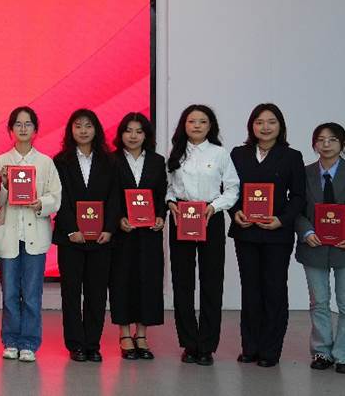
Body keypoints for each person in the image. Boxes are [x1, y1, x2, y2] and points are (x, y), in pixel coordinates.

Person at [228, 103, 306, 367]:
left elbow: (299, 196)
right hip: (246, 232)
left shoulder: (291, 156)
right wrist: (235, 212)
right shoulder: (238, 154)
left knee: (274, 290)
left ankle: (270, 350)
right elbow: (229, 189)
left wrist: (281, 220)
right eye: (259, 122)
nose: (265, 127)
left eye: (271, 122)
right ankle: (250, 347)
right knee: (250, 290)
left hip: (277, 234)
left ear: (280, 126)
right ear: (251, 125)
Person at [296, 122, 345, 374]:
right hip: (314, 246)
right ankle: (321, 351)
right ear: (314, 144)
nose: (326, 144)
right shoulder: (304, 173)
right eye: (320, 140)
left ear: (342, 144)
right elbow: (296, 210)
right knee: (318, 302)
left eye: (332, 139)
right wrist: (306, 232)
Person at [165, 104, 239, 366]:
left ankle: (207, 345)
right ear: (183, 125)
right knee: (182, 282)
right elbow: (168, 187)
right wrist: (170, 202)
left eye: (202, 121)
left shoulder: (220, 153)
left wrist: (214, 207)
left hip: (210, 217)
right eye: (191, 121)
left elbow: (232, 189)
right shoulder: (175, 153)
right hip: (181, 216)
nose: (196, 125)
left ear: (211, 126)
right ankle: (189, 343)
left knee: (211, 281)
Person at [0, 106, 61, 363]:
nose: (23, 128)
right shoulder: (1, 162)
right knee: (10, 293)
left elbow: (56, 196)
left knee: (31, 294)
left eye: (28, 124)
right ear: (10, 130)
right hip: (9, 235)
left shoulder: (45, 162)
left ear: (35, 129)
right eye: (18, 124)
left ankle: (29, 342)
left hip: (35, 236)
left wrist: (41, 203)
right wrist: (4, 186)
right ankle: (11, 341)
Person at [52, 109, 121, 363]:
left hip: (101, 238)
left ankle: (92, 343)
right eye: (78, 126)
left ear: (96, 129)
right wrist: (72, 229)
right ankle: (75, 344)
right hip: (70, 238)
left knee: (97, 292)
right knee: (71, 293)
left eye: (88, 126)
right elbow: (59, 198)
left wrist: (109, 229)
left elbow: (115, 198)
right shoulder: (60, 161)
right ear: (71, 130)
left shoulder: (110, 161)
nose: (83, 130)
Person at [108, 112, 168, 360]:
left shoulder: (157, 161)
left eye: (139, 131)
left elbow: (162, 194)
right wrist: (117, 219)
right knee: (121, 280)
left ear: (146, 135)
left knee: (148, 280)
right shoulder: (111, 160)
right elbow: (109, 195)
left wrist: (161, 216)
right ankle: (124, 333)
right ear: (121, 134)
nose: (133, 136)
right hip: (122, 233)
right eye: (128, 130)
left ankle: (141, 334)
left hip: (149, 233)